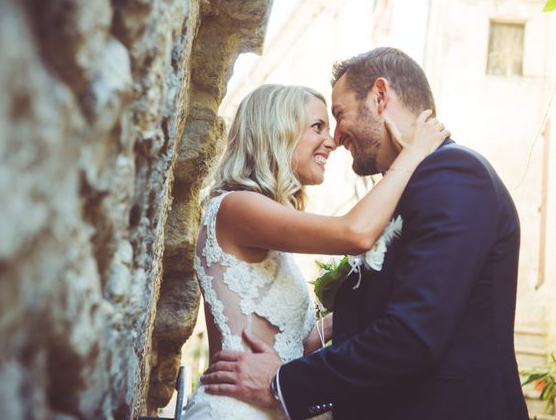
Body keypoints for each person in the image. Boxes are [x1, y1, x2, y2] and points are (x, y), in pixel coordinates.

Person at [200, 48, 529, 420]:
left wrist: (283, 383)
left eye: (338, 116)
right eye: (320, 125)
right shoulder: (405, 189)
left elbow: (411, 335)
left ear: (379, 96)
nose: (337, 138)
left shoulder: (454, 174)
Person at [182, 82, 449, 420]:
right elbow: (356, 232)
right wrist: (413, 154)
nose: (333, 141)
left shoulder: (265, 223)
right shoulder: (237, 207)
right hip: (234, 409)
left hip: (269, 404)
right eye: (317, 127)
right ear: (276, 130)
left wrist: (376, 301)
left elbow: (297, 342)